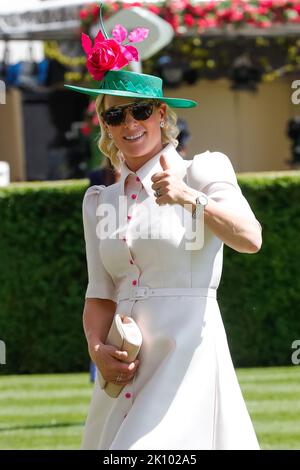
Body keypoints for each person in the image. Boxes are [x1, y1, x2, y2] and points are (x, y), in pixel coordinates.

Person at [65, 13, 262, 450]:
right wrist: (98, 349)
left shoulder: (204, 169)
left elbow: (251, 238)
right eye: (116, 115)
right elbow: (100, 292)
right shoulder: (99, 201)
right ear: (106, 126)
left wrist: (191, 199)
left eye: (140, 111)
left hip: (187, 356)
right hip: (126, 366)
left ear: (160, 113)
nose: (130, 123)